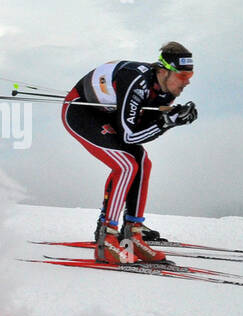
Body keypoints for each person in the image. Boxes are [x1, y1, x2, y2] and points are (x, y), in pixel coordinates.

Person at [61, 41, 197, 264]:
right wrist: (166, 123)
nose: (187, 82)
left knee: (142, 161)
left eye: (190, 76)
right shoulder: (136, 82)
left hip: (107, 114)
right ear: (163, 71)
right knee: (125, 165)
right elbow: (129, 135)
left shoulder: (166, 92)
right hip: (81, 111)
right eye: (182, 76)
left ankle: (132, 234)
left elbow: (141, 127)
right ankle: (107, 237)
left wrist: (170, 119)